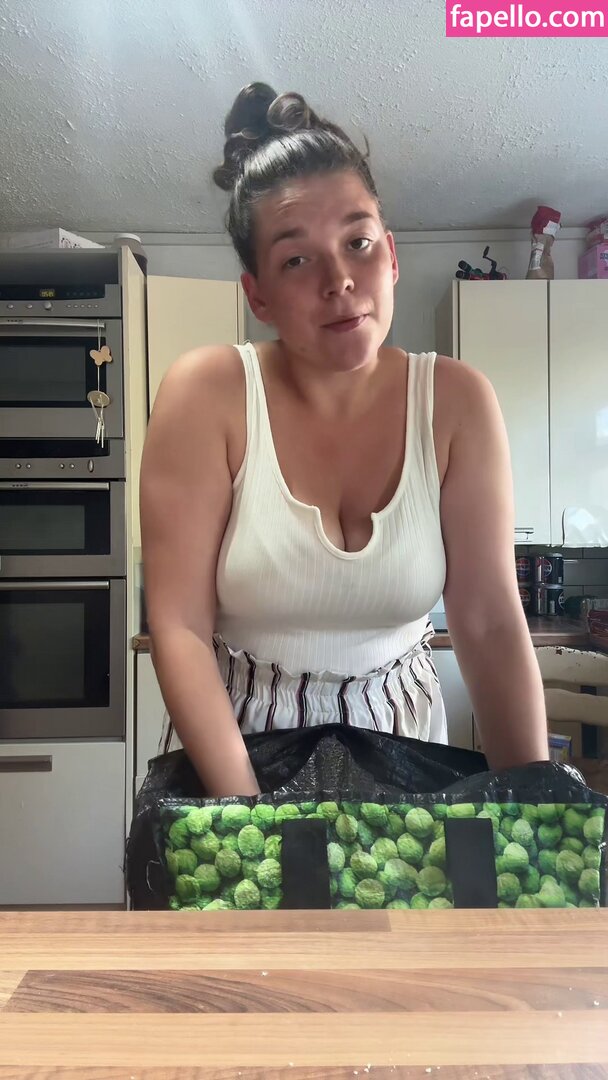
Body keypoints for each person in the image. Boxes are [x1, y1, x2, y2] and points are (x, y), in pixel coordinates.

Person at [140, 82, 549, 797]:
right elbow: (179, 628)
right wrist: (251, 818)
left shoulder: (456, 402)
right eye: (297, 260)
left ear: (390, 256)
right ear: (258, 294)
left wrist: (536, 808)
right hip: (238, 748)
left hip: (404, 749)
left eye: (358, 244)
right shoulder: (207, 394)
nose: (339, 281)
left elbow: (488, 624)